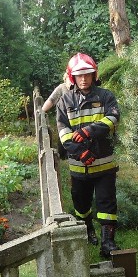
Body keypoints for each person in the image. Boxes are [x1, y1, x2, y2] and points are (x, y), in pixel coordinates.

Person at [56, 53, 121, 255]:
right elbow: (63, 133)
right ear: (72, 77)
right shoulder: (64, 101)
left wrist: (89, 130)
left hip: (105, 165)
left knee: (107, 203)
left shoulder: (106, 96)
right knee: (81, 204)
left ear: (94, 75)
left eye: (87, 74)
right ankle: (88, 230)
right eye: (79, 75)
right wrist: (80, 153)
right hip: (79, 167)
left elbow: (113, 118)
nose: (84, 79)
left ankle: (108, 243)